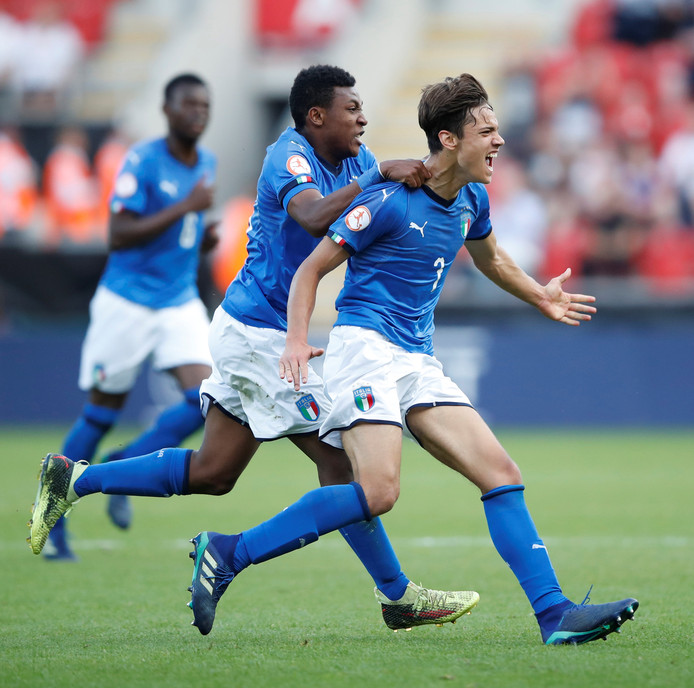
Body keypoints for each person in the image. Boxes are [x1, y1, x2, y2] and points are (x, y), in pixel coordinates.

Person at [179, 73, 635, 644]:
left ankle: (554, 615)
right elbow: (310, 270)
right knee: (378, 492)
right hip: (364, 350)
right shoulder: (389, 201)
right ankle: (229, 552)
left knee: (501, 474)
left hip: (417, 357)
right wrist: (296, 339)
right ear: (448, 139)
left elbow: (492, 259)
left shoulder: (472, 198)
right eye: (486, 132)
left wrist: (539, 294)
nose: (499, 141)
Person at [29, 65, 479, 633]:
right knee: (339, 462)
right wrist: (378, 176)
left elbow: (373, 219)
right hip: (259, 334)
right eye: (352, 109)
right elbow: (313, 217)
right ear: (316, 116)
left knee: (213, 471)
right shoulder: (288, 155)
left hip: (257, 332)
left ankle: (74, 479)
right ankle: (395, 594)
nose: (364, 118)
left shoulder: (358, 162)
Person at [40, 72, 218, 560]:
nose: (198, 113)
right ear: (167, 110)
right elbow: (118, 234)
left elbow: (182, 229)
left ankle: (125, 462)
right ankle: (52, 522)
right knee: (101, 413)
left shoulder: (207, 161)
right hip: (127, 301)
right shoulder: (142, 160)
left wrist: (201, 237)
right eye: (189, 104)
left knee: (209, 399)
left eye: (204, 105)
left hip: (178, 300)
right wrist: (186, 208)